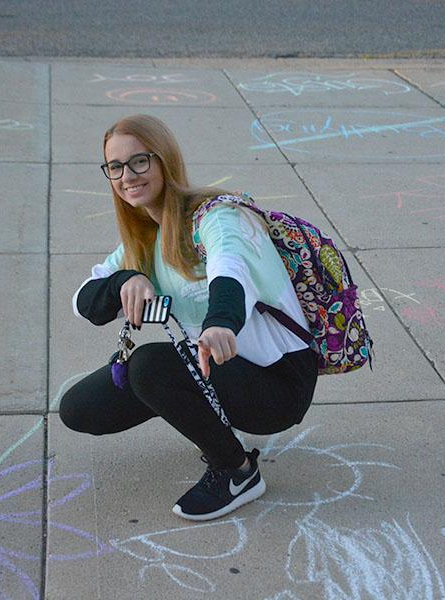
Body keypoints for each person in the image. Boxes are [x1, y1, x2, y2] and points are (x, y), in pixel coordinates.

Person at [59, 114, 318, 521]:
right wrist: (125, 280)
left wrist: (220, 323)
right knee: (79, 408)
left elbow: (229, 271)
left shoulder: (217, 217)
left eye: (140, 161)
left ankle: (237, 472)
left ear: (165, 161)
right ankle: (209, 420)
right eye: (115, 166)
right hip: (218, 367)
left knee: (149, 366)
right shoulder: (146, 236)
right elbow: (82, 299)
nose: (127, 175)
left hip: (278, 382)